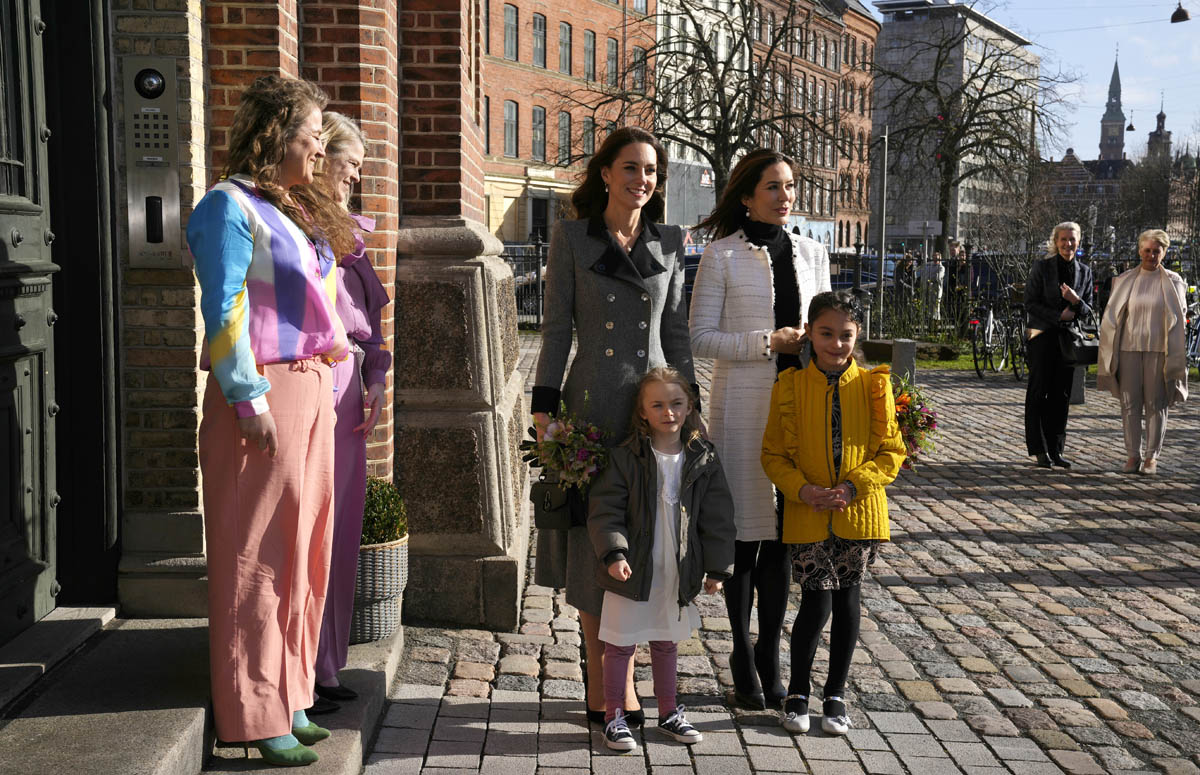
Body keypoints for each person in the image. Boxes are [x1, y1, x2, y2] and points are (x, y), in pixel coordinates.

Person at [188, 75, 357, 766]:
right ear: (274, 134)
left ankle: (291, 693)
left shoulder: (288, 208)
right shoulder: (225, 206)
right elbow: (223, 305)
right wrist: (247, 398)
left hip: (311, 386)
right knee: (256, 553)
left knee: (306, 547)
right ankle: (253, 710)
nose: (320, 146)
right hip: (263, 391)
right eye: (312, 133)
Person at [532, 127, 696, 727]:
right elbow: (556, 329)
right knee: (592, 543)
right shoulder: (573, 238)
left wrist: (689, 405)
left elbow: (674, 331)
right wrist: (544, 407)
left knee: (644, 538)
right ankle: (605, 686)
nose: (641, 180)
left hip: (653, 412)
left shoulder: (670, 241)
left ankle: (622, 678)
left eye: (651, 170)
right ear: (605, 173)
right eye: (630, 167)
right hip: (592, 408)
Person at [689, 149, 830, 710]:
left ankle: (770, 654)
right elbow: (700, 338)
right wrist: (766, 342)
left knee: (782, 538)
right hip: (745, 411)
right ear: (747, 195)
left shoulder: (813, 253)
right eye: (773, 186)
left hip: (802, 411)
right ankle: (742, 653)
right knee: (746, 536)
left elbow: (830, 331)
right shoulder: (721, 255)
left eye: (790, 185)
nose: (784, 195)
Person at [760, 290, 905, 736]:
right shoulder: (789, 386)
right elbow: (773, 455)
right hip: (806, 513)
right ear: (809, 333)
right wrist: (802, 489)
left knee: (847, 601)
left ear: (858, 335)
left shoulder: (874, 385)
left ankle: (836, 694)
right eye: (826, 333)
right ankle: (797, 693)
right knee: (815, 601)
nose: (836, 344)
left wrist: (853, 486)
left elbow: (891, 452)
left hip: (858, 513)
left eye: (846, 335)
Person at [587, 367, 736, 751]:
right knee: (620, 644)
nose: (668, 412)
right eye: (657, 405)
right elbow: (606, 510)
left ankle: (668, 712)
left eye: (676, 403)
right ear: (642, 411)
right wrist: (614, 553)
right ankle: (614, 716)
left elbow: (718, 516)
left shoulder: (703, 457)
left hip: (676, 567)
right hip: (632, 568)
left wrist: (717, 567)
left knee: (667, 642)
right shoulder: (625, 458)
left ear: (689, 407)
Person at [310, 112, 392, 711]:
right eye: (351, 163)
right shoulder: (300, 226)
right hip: (317, 389)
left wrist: (377, 378)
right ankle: (304, 668)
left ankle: (326, 664)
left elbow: (371, 327)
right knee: (313, 530)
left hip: (350, 397)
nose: (356, 176)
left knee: (341, 531)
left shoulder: (346, 231)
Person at [1096, 229, 1189, 475]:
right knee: (1130, 404)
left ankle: (1151, 458)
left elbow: (1180, 317)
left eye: (1156, 251)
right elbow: (1113, 316)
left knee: (1156, 403)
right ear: (1139, 251)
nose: (1151, 255)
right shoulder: (1125, 279)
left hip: (1159, 350)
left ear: (1164, 253)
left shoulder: (1174, 281)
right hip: (1129, 348)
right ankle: (1132, 455)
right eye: (1146, 250)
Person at [1024, 222, 1093, 469]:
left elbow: (1088, 310)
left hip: (1068, 340)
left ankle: (1056, 449)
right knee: (1038, 392)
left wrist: (1076, 301)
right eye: (1063, 239)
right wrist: (1057, 316)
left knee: (1061, 395)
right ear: (1056, 241)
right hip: (1041, 336)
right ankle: (1039, 449)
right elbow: (1030, 302)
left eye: (1072, 239)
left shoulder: (1085, 271)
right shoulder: (1042, 267)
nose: (1068, 244)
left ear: (1078, 241)